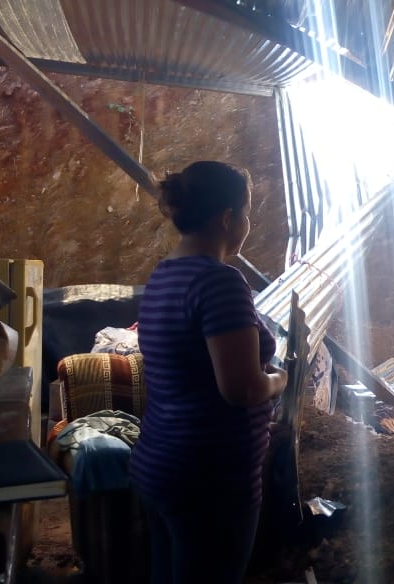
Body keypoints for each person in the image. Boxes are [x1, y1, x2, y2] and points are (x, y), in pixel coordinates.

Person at [130, 161, 288, 584]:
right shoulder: (220, 282)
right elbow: (241, 390)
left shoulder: (162, 276)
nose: (249, 223)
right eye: (248, 213)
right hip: (211, 479)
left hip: (161, 463)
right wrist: (280, 379)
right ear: (227, 218)